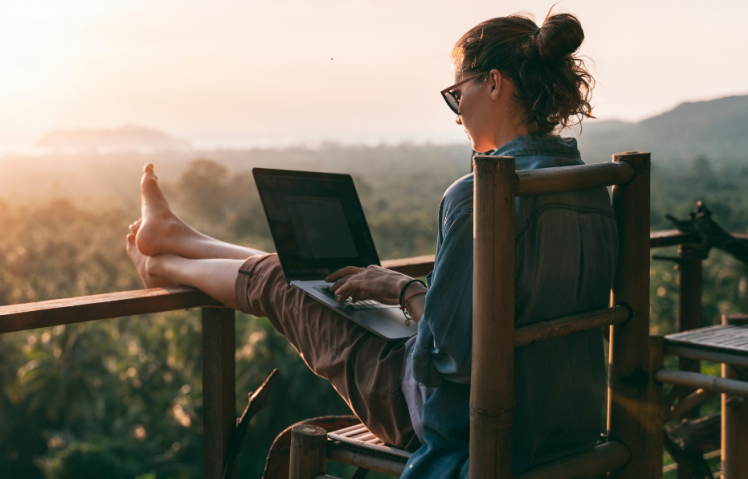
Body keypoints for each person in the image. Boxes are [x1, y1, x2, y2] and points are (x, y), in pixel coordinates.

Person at [126, 10, 616, 477]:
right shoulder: (589, 185)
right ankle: (179, 240)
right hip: (563, 424)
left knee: (286, 281)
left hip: (467, 426)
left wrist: (406, 293)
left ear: (493, 82)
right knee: (309, 274)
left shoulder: (482, 194)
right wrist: (401, 290)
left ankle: (165, 266)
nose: (456, 112)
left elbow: (459, 357)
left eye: (455, 94)